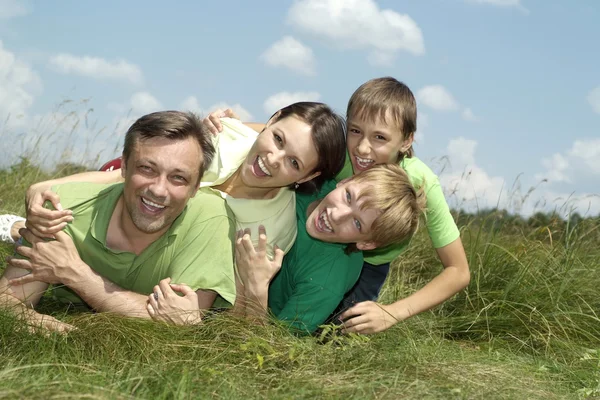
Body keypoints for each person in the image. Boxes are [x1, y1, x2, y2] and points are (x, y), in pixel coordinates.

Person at [201, 77, 470, 335]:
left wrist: (392, 313)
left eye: (380, 138)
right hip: (309, 226)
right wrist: (225, 127)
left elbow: (458, 271)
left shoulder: (423, 183)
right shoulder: (340, 152)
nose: (363, 149)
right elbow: (286, 135)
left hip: (364, 263)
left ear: (406, 141)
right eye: (355, 131)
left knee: (335, 331)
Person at [0, 111, 236, 331]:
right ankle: (14, 229)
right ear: (123, 166)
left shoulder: (211, 216)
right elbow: (7, 301)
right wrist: (55, 329)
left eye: (178, 178)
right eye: (147, 169)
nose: (159, 190)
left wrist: (75, 273)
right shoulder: (61, 211)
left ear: (196, 187)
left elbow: (183, 321)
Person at [149, 164, 425, 334]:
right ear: (343, 182)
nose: (337, 214)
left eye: (356, 222)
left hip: (235, 310)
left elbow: (267, 350)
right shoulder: (310, 182)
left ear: (365, 243)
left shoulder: (326, 281)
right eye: (348, 196)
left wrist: (257, 288)